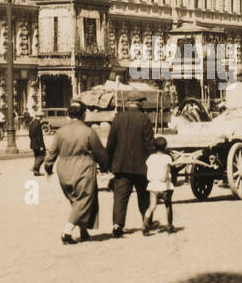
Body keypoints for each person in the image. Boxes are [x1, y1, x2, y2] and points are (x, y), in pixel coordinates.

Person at [44, 100, 109, 244]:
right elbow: (100, 153)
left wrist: (48, 167)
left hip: (63, 169)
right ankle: (67, 231)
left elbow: (51, 153)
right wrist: (105, 166)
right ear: (84, 115)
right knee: (85, 198)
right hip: (83, 167)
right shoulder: (88, 131)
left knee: (75, 200)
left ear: (69, 115)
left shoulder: (61, 132)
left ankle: (83, 230)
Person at [105, 95, 154, 236]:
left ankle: (117, 225)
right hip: (141, 165)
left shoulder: (118, 118)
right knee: (144, 196)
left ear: (128, 104)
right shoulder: (144, 118)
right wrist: (152, 161)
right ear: (139, 104)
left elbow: (111, 143)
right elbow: (149, 143)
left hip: (121, 166)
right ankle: (146, 222)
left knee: (120, 197)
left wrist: (108, 163)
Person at [143, 136, 176, 235]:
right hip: (164, 185)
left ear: (154, 147)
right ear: (165, 147)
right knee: (168, 205)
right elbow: (166, 168)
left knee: (152, 206)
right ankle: (169, 225)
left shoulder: (151, 157)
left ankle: (145, 226)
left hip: (153, 185)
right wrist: (165, 178)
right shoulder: (167, 157)